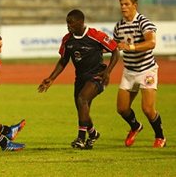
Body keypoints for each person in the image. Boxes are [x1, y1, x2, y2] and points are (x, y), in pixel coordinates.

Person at [38, 9, 119, 149]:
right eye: (67, 24)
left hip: (98, 76)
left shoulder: (95, 35)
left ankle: (80, 139)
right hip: (80, 78)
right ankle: (93, 134)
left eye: (72, 24)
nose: (69, 27)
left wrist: (108, 72)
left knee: (82, 99)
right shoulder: (67, 39)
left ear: (81, 22)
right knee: (82, 108)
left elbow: (115, 51)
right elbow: (63, 61)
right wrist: (51, 78)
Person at [113, 0, 166, 148]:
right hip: (129, 72)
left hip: (146, 71)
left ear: (134, 5)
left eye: (127, 4)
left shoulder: (144, 22)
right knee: (122, 109)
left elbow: (151, 43)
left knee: (148, 109)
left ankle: (160, 136)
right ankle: (136, 127)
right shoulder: (119, 26)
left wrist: (130, 47)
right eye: (121, 4)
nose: (123, 7)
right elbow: (115, 47)